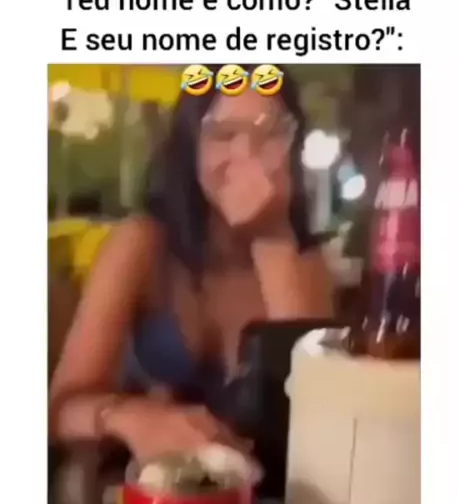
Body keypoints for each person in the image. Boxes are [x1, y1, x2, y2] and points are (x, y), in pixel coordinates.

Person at [50, 64, 333, 464]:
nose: (245, 154)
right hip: (145, 486)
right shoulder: (142, 243)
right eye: (223, 134)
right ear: (191, 145)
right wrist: (132, 419)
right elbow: (59, 411)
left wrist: (271, 238)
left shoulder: (307, 261)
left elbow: (316, 417)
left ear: (292, 151)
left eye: (270, 134)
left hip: (259, 486)